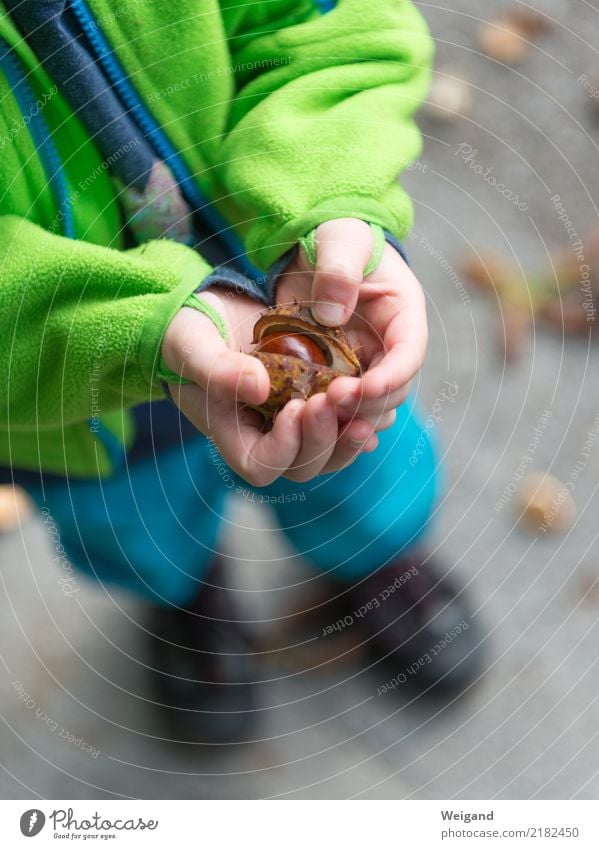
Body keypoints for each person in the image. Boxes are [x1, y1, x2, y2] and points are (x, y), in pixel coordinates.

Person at [0, 0, 481, 744]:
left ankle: (377, 558)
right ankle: (189, 598)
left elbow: (322, 25)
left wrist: (333, 197)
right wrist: (137, 325)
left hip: (279, 274)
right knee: (139, 527)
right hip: (64, 400)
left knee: (352, 465)